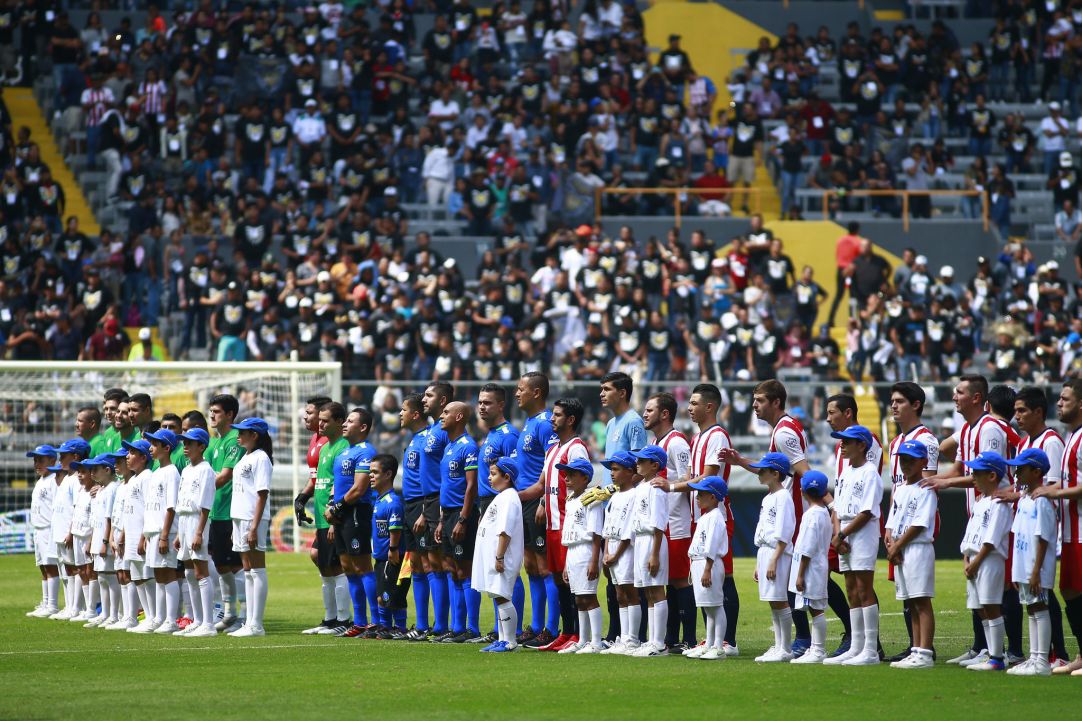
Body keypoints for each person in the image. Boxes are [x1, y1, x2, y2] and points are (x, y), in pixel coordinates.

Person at [721, 379, 812, 652]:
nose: (754, 406)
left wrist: (826, 505)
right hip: (794, 508)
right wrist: (740, 461)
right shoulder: (785, 428)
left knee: (801, 580)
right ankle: (799, 640)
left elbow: (804, 472)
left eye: (759, 401)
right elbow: (768, 469)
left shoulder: (783, 433)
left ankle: (804, 640)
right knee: (798, 581)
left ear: (775, 402)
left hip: (793, 511)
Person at [923, 374, 1007, 666]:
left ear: (976, 397)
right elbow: (960, 467)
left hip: (995, 510)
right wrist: (932, 479)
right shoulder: (968, 430)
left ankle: (1006, 651)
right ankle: (981, 646)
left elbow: (989, 474)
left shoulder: (989, 429)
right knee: (977, 584)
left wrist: (945, 484)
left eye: (959, 392)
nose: (954, 396)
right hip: (976, 512)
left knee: (1000, 584)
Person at [1012, 386, 1070, 667]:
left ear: (1038, 411)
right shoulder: (1024, 443)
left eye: (1022, 410)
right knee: (1032, 594)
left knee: (1043, 590)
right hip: (1027, 521)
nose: (1017, 416)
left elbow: (1055, 484)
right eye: (1015, 411)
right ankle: (1041, 654)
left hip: (1047, 523)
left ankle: (1057, 653)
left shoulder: (1051, 441)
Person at [824, 394, 884, 658]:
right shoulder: (847, 470)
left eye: (847, 442)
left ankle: (871, 647)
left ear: (861, 445)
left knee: (863, 587)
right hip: (844, 529)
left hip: (859, 530)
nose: (842, 446)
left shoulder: (869, 470)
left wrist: (842, 532)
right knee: (851, 588)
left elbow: (868, 509)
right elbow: (838, 502)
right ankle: (857, 645)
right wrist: (837, 531)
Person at [885, 382, 941, 660]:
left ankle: (922, 648)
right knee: (907, 591)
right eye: (892, 401)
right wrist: (889, 527)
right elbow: (898, 487)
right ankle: (914, 646)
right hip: (899, 519)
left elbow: (928, 482)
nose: (893, 406)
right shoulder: (896, 442)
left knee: (919, 593)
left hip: (917, 523)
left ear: (916, 405)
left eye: (899, 401)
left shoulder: (927, 440)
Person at [530, 397, 590, 651]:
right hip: (552, 525)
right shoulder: (552, 448)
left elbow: (581, 483)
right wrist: (543, 500)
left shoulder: (576, 448)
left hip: (568, 525)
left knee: (572, 581)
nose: (551, 419)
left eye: (556, 415)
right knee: (558, 579)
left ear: (570, 419)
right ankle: (566, 633)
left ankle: (578, 633)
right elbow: (547, 482)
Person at [1032, 379, 1082, 675]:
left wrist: (1054, 492)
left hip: (1080, 530)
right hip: (1070, 530)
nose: (1059, 404)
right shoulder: (1071, 437)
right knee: (1070, 589)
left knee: (1073, 589)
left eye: (1065, 399)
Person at [643, 392, 694, 651]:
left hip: (677, 522)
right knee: (665, 580)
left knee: (679, 580)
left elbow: (692, 478)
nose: (644, 414)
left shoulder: (677, 443)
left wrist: (669, 486)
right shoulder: (655, 442)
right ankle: (670, 636)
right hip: (662, 524)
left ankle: (690, 638)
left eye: (650, 410)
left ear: (665, 414)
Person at [512, 372, 559, 646]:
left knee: (544, 567)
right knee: (530, 565)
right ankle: (537, 624)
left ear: (537, 392)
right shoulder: (529, 423)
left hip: (537, 502)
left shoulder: (545, 423)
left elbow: (550, 464)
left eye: (521, 389)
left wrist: (543, 501)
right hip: (524, 501)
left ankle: (551, 629)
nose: (517, 394)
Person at [475, 383, 524, 643]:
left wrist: (499, 504)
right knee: (494, 572)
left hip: (500, 503)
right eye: (480, 402)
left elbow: (512, 474)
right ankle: (501, 630)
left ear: (501, 405)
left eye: (488, 402)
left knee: (507, 569)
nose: (482, 406)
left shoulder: (508, 435)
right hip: (488, 503)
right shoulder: (491, 434)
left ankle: (514, 631)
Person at [326, 406, 379, 637]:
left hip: (356, 512)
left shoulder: (366, 452)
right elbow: (337, 485)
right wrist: (332, 506)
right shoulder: (343, 452)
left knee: (363, 566)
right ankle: (359, 622)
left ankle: (375, 622)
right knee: (347, 567)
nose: (345, 424)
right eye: (345, 420)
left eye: (350, 421)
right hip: (341, 515)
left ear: (363, 427)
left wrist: (338, 506)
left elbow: (359, 488)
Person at [1005, 448, 1057, 676]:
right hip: (1024, 565)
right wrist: (1018, 570)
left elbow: (1043, 537)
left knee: (1039, 607)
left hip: (1037, 566)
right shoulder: (1025, 499)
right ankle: (1034, 657)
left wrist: (1036, 571)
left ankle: (1042, 660)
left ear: (1036, 472)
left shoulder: (1042, 501)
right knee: (1031, 608)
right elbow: (1019, 534)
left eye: (1021, 468)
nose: (1016, 473)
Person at [960, 451, 1014, 671]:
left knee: (991, 606)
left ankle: (997, 658)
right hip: (974, 558)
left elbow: (991, 539)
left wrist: (976, 561)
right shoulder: (981, 501)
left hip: (989, 560)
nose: (973, 477)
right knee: (981, 607)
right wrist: (966, 559)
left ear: (992, 476)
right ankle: (991, 653)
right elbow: (970, 532)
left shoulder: (999, 504)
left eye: (978, 473)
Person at [303, 401, 351, 636]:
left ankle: (343, 619)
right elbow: (320, 483)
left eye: (325, 421)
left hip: (334, 518)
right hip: (323, 519)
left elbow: (340, 484)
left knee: (337, 567)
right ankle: (329, 619)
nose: (319, 424)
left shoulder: (343, 448)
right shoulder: (324, 449)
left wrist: (334, 515)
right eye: (319, 420)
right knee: (325, 567)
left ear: (339, 422)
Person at [435, 400, 481, 643]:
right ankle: (457, 626)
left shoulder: (468, 447)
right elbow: (447, 486)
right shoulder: (449, 447)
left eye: (445, 412)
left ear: (460, 416)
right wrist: (443, 520)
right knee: (452, 569)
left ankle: (471, 628)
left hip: (463, 514)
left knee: (465, 570)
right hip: (449, 514)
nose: (441, 416)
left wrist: (463, 519)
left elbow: (471, 486)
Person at [474, 457, 524, 653]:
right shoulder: (502, 496)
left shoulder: (510, 497)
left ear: (507, 476)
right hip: (495, 557)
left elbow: (505, 530)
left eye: (493, 474)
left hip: (503, 557)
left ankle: (510, 640)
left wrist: (499, 556)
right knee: (498, 596)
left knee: (503, 596)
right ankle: (502, 638)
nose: (489, 478)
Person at [228, 418, 273, 637]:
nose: (238, 434)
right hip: (240, 517)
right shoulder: (246, 456)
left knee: (257, 569)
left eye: (242, 431)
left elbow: (262, 493)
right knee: (247, 570)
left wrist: (254, 526)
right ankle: (249, 621)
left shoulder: (261, 458)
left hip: (251, 518)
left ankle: (257, 623)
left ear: (254, 435)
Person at [749, 452, 796, 663]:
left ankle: (785, 648)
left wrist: (774, 559)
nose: (759, 473)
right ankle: (778, 645)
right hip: (765, 550)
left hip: (777, 551)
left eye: (763, 470)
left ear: (776, 474)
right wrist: (760, 562)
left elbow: (784, 531)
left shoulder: (783, 497)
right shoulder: (768, 497)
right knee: (772, 601)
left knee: (779, 600)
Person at [173, 427, 218, 638]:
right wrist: (178, 534)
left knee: (201, 571)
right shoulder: (187, 470)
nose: (186, 446)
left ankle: (208, 623)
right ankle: (197, 619)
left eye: (190, 443)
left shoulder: (205, 470)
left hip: (195, 520)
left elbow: (205, 504)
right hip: (184, 520)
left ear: (202, 446)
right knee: (189, 571)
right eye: (184, 442)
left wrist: (199, 532)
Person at [207, 394, 246, 633]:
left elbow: (223, 477)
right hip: (215, 511)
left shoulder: (234, 440)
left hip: (231, 512)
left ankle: (244, 616)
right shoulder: (214, 442)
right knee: (221, 564)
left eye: (217, 411)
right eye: (210, 411)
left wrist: (196, 486)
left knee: (237, 566)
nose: (212, 415)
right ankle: (230, 613)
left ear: (230, 415)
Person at [556, 458, 604, 654]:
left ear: (585, 478)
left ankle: (596, 641)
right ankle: (582, 639)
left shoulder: (591, 499)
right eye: (566, 474)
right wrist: (567, 563)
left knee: (588, 596)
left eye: (572, 474)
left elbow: (595, 533)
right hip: (573, 550)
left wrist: (594, 560)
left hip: (586, 550)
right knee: (578, 598)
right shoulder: (570, 500)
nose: (567, 478)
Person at [417, 383, 453, 640]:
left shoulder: (444, 431)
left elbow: (448, 473)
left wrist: (440, 511)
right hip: (427, 502)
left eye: (429, 395)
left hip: (441, 502)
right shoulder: (431, 430)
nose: (424, 399)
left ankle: (452, 625)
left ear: (443, 401)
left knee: (446, 564)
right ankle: (439, 624)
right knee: (433, 563)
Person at [399, 393, 435, 641]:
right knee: (417, 565)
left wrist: (425, 511)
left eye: (403, 410)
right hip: (410, 505)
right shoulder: (414, 440)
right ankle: (421, 624)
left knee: (431, 564)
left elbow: (430, 479)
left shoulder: (427, 439)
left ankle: (440, 624)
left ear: (415, 414)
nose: (399, 414)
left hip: (423, 506)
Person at [629, 444, 670, 657]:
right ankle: (652, 640)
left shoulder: (656, 487)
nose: (637, 463)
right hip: (641, 541)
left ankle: (659, 642)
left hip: (653, 541)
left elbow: (658, 522)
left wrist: (655, 554)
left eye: (642, 461)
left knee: (656, 589)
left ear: (655, 465)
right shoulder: (641, 487)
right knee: (647, 591)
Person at [138, 428, 181, 635]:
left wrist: (165, 535)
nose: (151, 448)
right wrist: (147, 535)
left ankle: (171, 620)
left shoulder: (172, 472)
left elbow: (171, 507)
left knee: (168, 573)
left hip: (165, 532)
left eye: (155, 444)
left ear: (167, 447)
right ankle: (159, 617)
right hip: (153, 531)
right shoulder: (156, 472)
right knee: (159, 575)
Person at [598, 451, 640, 655]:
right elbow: (608, 528)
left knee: (630, 592)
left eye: (616, 469)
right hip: (612, 548)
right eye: (611, 470)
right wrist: (606, 552)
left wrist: (615, 554)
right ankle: (624, 638)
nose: (612, 474)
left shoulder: (634, 495)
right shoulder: (614, 496)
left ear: (630, 471)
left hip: (626, 550)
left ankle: (633, 638)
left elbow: (629, 530)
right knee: (620, 594)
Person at [789, 470, 833, 665]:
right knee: (815, 608)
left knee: (815, 609)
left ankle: (818, 649)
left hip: (811, 568)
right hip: (818, 565)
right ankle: (815, 648)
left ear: (802, 491)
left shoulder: (811, 515)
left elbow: (807, 548)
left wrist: (799, 575)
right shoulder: (823, 512)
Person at [685, 475, 730, 661]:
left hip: (708, 563)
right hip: (698, 562)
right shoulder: (705, 516)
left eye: (701, 494)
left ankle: (719, 646)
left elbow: (711, 544)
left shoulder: (716, 517)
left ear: (713, 497)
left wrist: (707, 568)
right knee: (707, 607)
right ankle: (709, 644)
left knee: (716, 606)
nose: (697, 498)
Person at [370, 454, 408, 637]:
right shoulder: (379, 500)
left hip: (390, 556)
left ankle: (399, 627)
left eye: (375, 472)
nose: (371, 476)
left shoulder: (393, 502)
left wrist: (393, 549)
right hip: (380, 556)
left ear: (388, 475)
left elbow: (395, 528)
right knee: (381, 594)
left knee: (391, 594)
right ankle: (385, 626)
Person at [120, 439, 154, 632]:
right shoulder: (133, 479)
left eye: (132, 453)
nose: (127, 456)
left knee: (147, 576)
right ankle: (148, 616)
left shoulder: (147, 477)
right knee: (137, 577)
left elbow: (148, 509)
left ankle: (155, 616)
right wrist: (124, 534)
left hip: (141, 534)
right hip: (131, 534)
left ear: (143, 457)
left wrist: (143, 536)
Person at [105, 445, 136, 631]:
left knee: (128, 574)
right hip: (116, 533)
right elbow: (114, 514)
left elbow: (129, 513)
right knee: (120, 575)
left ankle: (131, 615)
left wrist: (122, 536)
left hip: (125, 534)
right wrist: (110, 537)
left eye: (119, 461)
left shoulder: (131, 484)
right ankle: (126, 615)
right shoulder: (120, 486)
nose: (116, 464)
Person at [27, 444, 60, 618]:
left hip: (48, 528)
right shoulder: (41, 480)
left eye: (41, 459)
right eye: (35, 460)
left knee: (51, 567)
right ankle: (45, 601)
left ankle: (53, 604)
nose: (36, 463)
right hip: (38, 528)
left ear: (52, 460)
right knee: (42, 567)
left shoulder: (54, 480)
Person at [87, 455, 119, 628]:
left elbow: (109, 519)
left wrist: (105, 541)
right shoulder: (100, 489)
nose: (92, 473)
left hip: (104, 540)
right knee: (101, 577)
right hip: (98, 538)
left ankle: (114, 614)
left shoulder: (112, 488)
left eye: (95, 469)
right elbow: (96, 519)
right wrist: (93, 541)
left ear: (107, 470)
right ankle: (105, 613)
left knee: (110, 577)